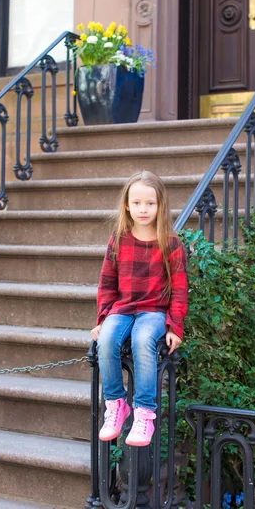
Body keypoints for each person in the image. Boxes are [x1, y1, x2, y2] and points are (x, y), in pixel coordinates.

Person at [91, 170, 188, 447]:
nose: (143, 209)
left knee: (143, 339)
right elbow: (106, 284)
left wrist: (174, 327)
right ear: (127, 205)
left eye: (150, 203)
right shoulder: (118, 240)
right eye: (137, 203)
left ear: (160, 206)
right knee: (106, 339)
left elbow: (180, 290)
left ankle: (144, 412)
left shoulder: (170, 243)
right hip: (122, 308)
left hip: (153, 311)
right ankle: (116, 404)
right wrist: (102, 318)